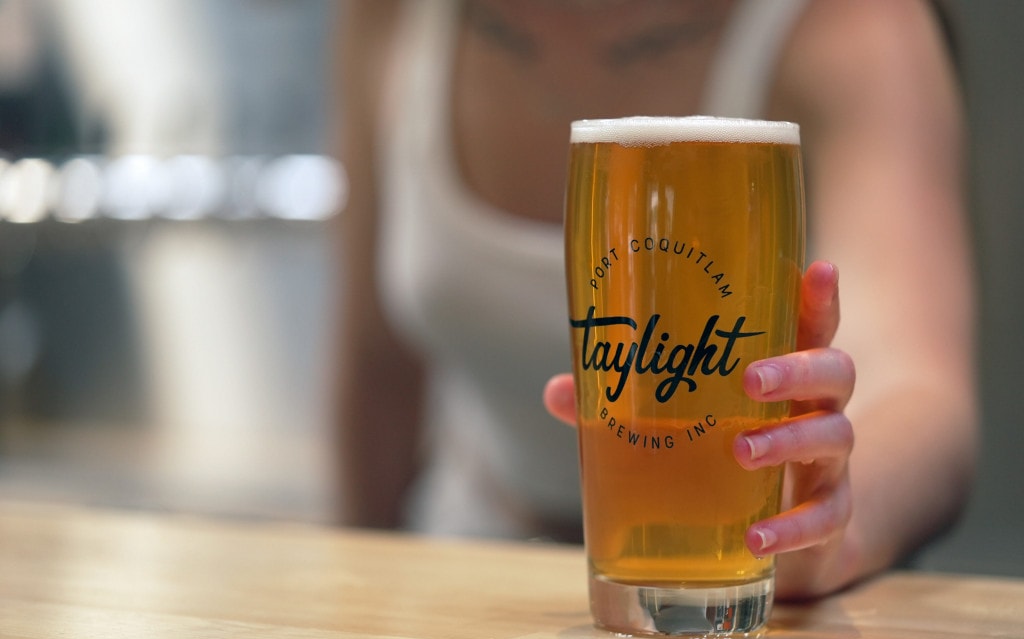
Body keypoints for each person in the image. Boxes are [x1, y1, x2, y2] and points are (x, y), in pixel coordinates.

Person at [333, 0, 977, 600]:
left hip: (743, 591)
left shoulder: (848, 20)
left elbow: (918, 389)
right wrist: (352, 605)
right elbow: (376, 370)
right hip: (469, 578)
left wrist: (824, 520)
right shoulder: (395, 14)